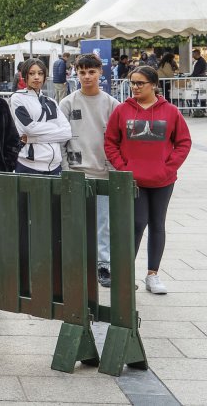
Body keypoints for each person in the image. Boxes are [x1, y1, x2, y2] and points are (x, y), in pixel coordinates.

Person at [105, 66, 192, 295]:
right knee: (136, 223)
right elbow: (110, 142)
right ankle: (124, 274)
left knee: (157, 224)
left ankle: (152, 275)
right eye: (133, 82)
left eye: (140, 83)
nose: (135, 87)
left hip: (163, 180)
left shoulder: (171, 111)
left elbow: (183, 142)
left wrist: (168, 167)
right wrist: (123, 168)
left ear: (153, 84)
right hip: (133, 180)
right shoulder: (122, 110)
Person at [59, 53, 120, 287]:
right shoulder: (67, 103)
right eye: (82, 72)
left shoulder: (112, 104)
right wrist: (67, 169)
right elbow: (60, 140)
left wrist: (113, 169)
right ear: (76, 72)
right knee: (76, 221)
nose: (86, 76)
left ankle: (104, 265)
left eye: (91, 72)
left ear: (100, 73)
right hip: (76, 171)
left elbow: (118, 140)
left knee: (104, 222)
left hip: (104, 172)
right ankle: (76, 264)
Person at [9, 58, 71, 176]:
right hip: (28, 165)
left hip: (55, 166)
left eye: (40, 73)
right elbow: (29, 129)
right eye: (32, 73)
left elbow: (67, 133)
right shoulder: (17, 98)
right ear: (24, 76)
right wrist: (54, 128)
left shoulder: (51, 101)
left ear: (45, 77)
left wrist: (33, 139)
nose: (36, 77)